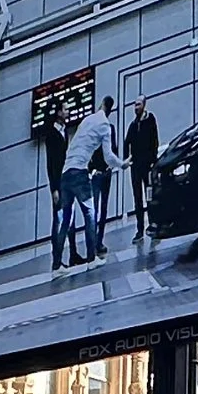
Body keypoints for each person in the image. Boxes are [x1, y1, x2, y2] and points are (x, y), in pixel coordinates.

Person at [65, 95, 122, 264]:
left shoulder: (102, 128)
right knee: (96, 209)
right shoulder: (105, 128)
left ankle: (97, 243)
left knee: (99, 209)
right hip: (100, 173)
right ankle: (94, 244)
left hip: (102, 172)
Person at [33, 102, 74, 268]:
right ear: (58, 113)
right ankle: (56, 260)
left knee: (69, 218)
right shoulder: (52, 133)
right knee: (58, 220)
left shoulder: (64, 131)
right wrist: (54, 188)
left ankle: (73, 253)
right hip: (58, 183)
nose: (68, 111)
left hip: (67, 179)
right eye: (65, 109)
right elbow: (50, 164)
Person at [124, 97, 159, 246]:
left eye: (138, 104)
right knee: (137, 198)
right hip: (136, 168)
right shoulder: (133, 125)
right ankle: (139, 229)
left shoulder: (150, 120)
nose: (135, 107)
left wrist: (153, 159)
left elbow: (154, 140)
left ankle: (153, 224)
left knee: (149, 196)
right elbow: (127, 143)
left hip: (147, 166)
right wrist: (128, 160)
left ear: (144, 105)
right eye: (134, 105)